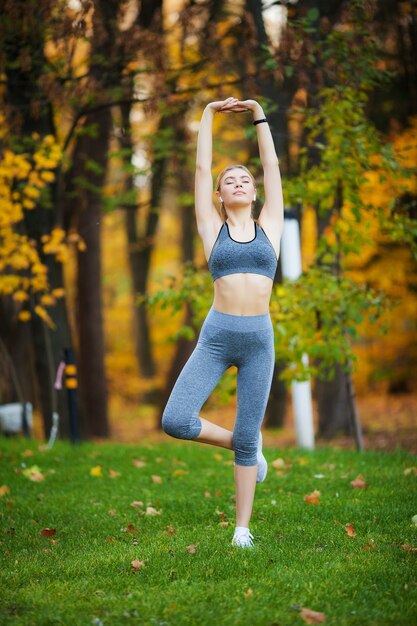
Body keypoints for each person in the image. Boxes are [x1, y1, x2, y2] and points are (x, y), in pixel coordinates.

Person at [162, 97, 284, 549]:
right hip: (216, 338)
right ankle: (245, 446)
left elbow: (271, 165)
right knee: (176, 419)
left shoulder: (271, 224)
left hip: (258, 341)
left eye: (244, 180)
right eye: (228, 180)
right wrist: (210, 113)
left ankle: (242, 530)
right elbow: (200, 170)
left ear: (253, 192)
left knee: (251, 436)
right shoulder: (211, 228)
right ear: (218, 194)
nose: (237, 182)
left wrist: (257, 112)